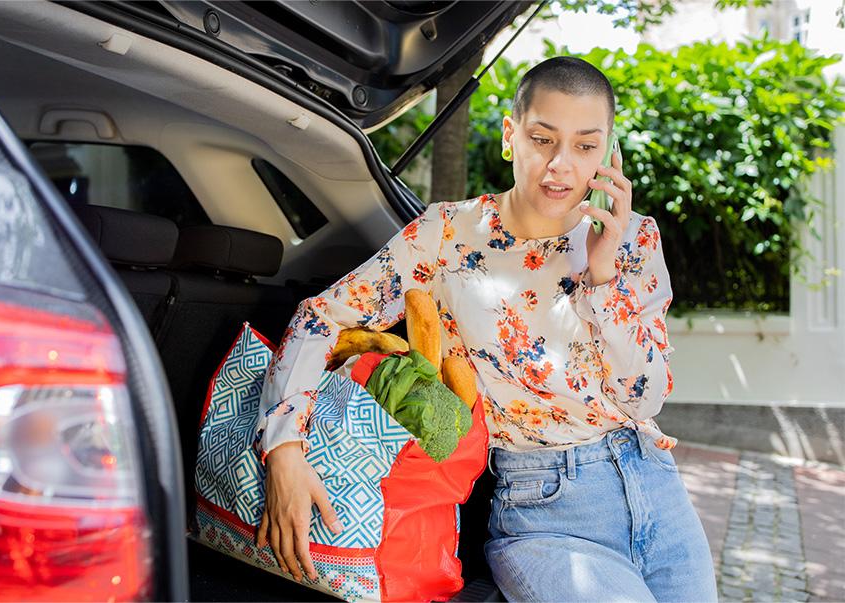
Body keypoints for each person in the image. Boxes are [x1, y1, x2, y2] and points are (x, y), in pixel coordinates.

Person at [253, 56, 718, 602]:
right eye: (542, 139)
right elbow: (322, 319)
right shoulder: (447, 234)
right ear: (510, 135)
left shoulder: (633, 239)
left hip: (654, 485)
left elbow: (646, 396)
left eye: (586, 146)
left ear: (609, 153)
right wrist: (283, 449)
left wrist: (601, 276)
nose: (561, 166)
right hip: (546, 509)